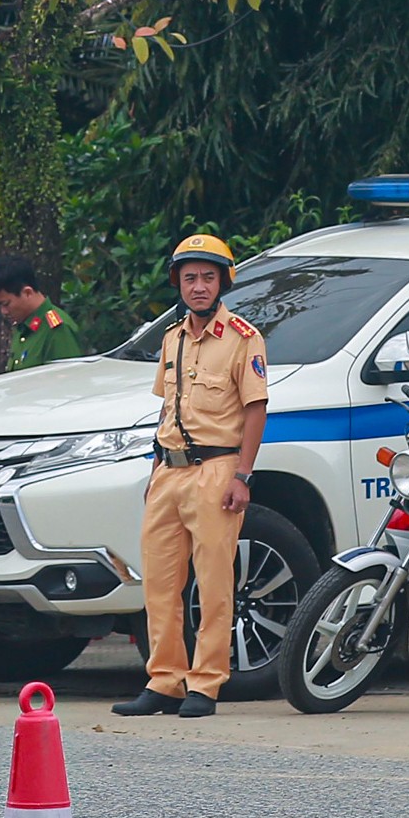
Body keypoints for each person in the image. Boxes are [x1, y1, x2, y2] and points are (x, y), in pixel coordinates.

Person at [113, 233, 266, 720]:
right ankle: (164, 681)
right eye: (189, 278)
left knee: (214, 584)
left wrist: (243, 475)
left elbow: (256, 407)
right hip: (169, 471)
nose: (198, 287)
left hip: (217, 470)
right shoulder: (172, 338)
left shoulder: (244, 338)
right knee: (158, 583)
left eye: (207, 277)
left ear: (223, 281)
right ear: (178, 284)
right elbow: (168, 406)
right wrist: (157, 470)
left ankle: (205, 683)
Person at [0, 255, 85, 372]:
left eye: (6, 304)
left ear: (27, 293)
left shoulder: (57, 330)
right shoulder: (23, 327)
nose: (3, 312)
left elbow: (69, 382)